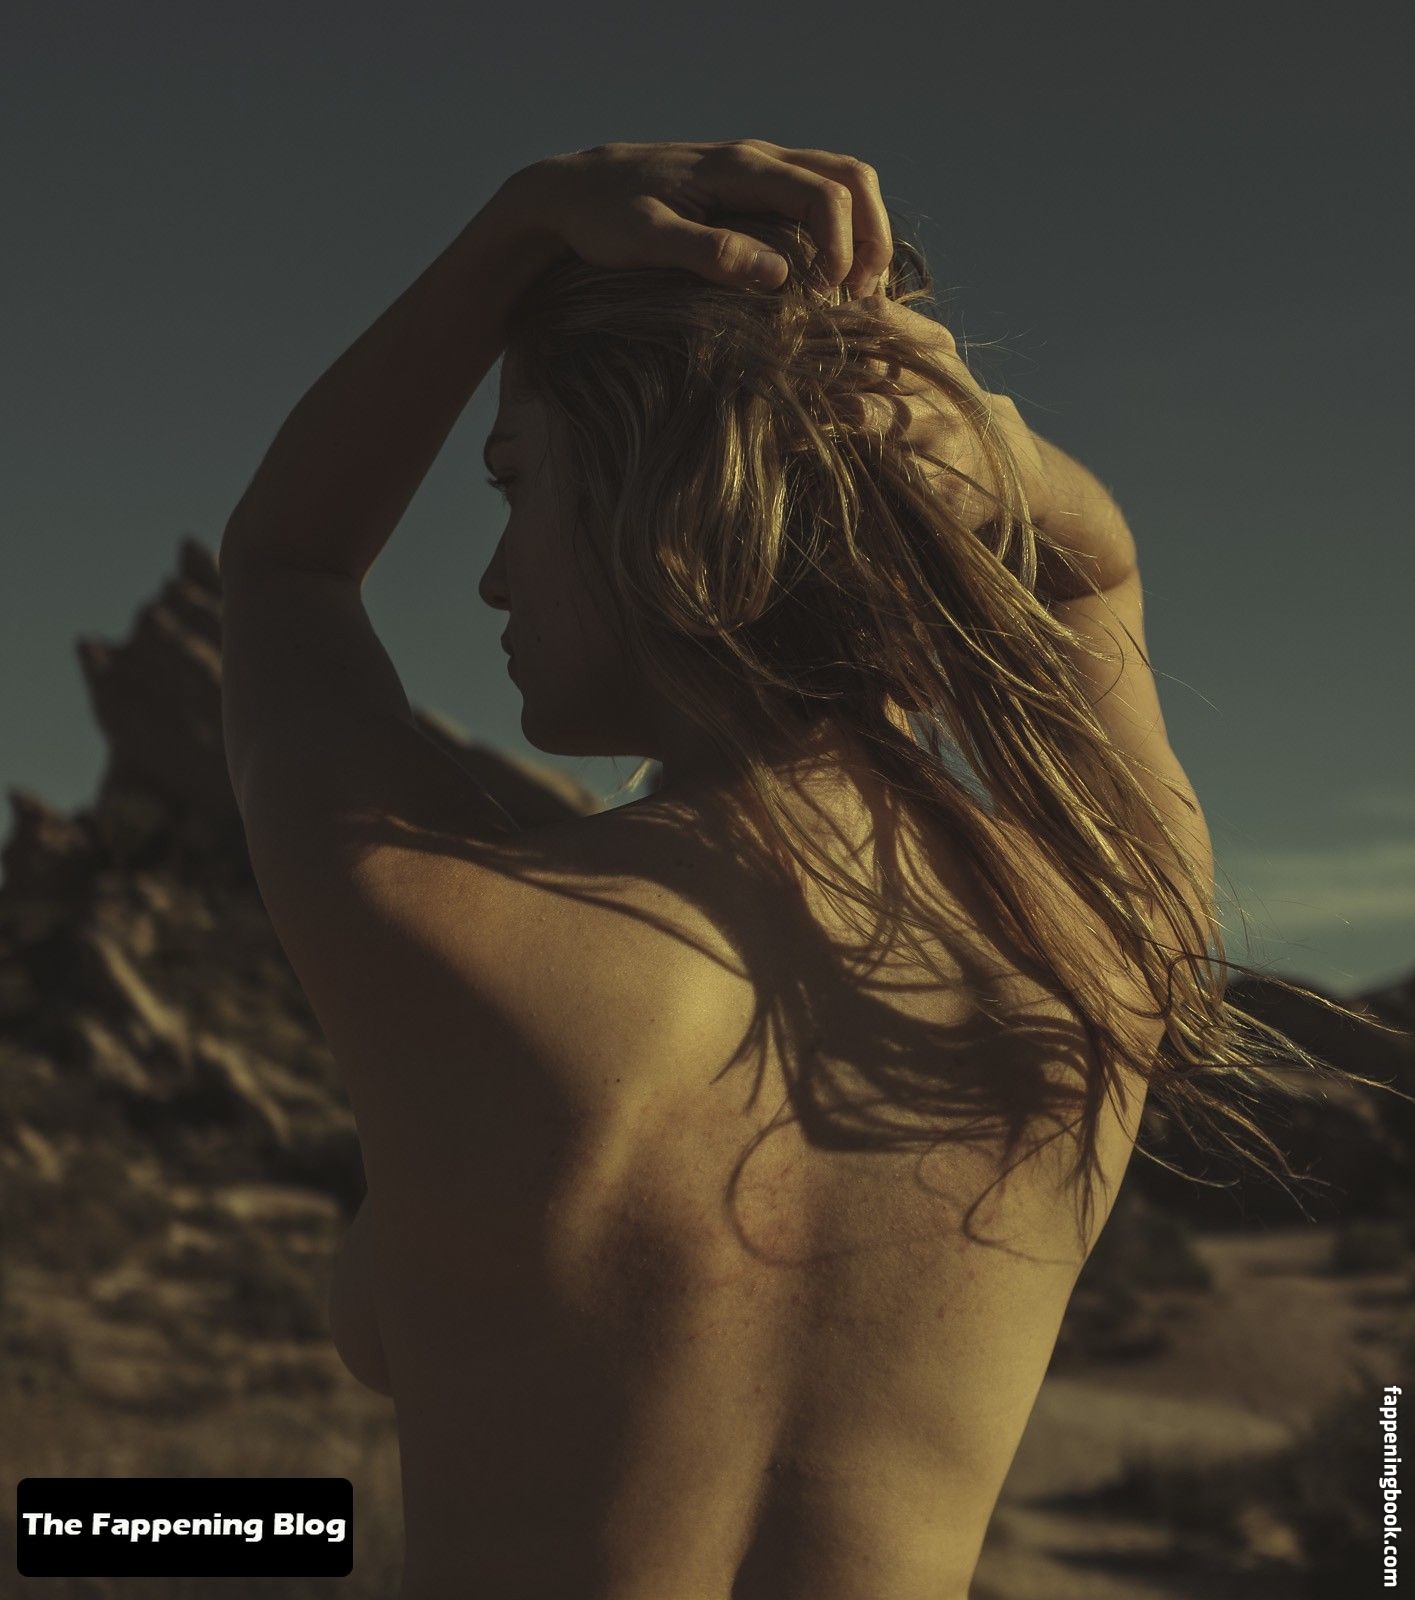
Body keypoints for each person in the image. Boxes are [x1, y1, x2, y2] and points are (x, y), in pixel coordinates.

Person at [217, 139, 1399, 1600]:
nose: (493, 572)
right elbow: (1096, 574)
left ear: (669, 487)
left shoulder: (449, 927)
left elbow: (287, 568)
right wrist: (989, 452)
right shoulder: (1105, 945)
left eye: (515, 482)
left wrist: (520, 220)